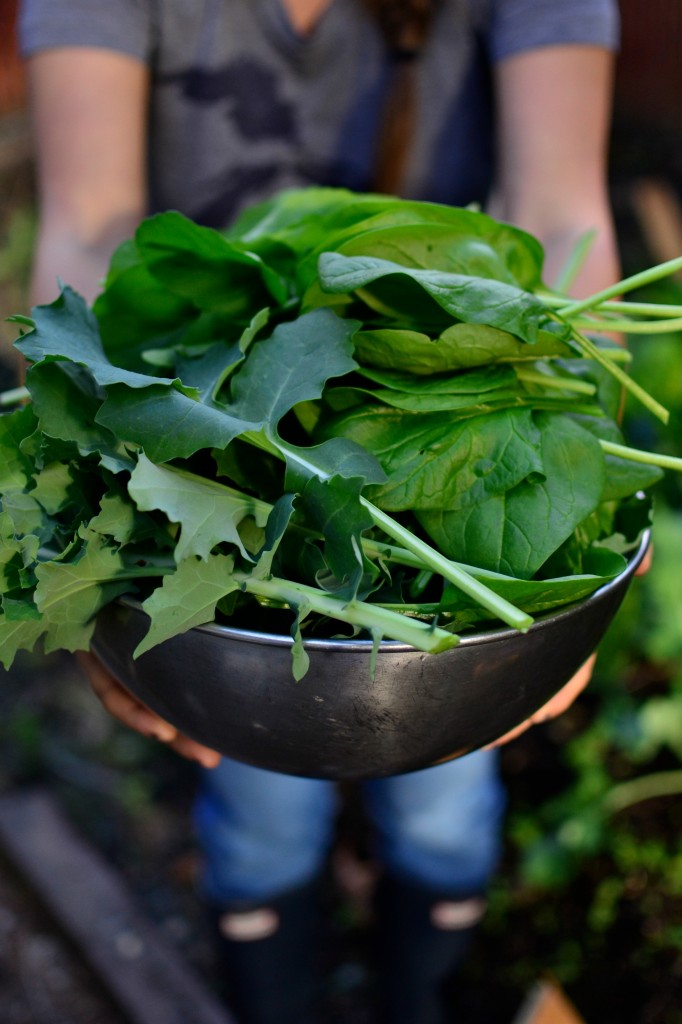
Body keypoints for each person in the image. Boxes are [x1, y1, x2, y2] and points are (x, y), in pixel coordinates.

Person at [18, 2, 623, 1022]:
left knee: (443, 801)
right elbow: (88, 227)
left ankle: (414, 995)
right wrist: (92, 516)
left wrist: (585, 512)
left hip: (449, 435)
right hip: (215, 441)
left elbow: (562, 215)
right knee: (256, 793)